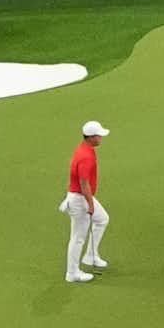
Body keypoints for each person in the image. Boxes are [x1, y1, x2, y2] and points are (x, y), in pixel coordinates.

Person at [61, 118, 109, 283]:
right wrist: (90, 204)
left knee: (102, 219)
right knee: (78, 237)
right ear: (91, 137)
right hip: (79, 199)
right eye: (99, 136)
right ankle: (72, 273)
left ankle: (90, 256)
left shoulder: (84, 149)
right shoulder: (86, 156)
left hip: (80, 197)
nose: (101, 138)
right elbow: (83, 183)